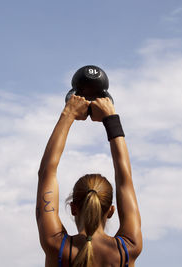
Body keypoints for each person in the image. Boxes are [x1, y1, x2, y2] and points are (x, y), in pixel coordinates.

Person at [36, 95, 142, 267]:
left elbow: (46, 173)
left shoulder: (57, 246)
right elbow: (125, 179)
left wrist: (69, 113)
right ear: (111, 211)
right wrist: (110, 118)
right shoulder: (127, 249)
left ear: (73, 208)